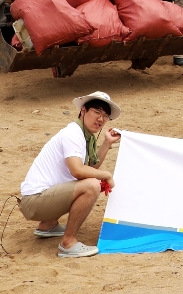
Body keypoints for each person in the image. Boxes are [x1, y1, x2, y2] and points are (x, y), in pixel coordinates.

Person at [19, 92, 122, 258]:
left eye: (105, 116)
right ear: (83, 110)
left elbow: (89, 167)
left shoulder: (83, 135)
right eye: (97, 112)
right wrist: (106, 175)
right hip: (35, 201)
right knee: (92, 185)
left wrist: (106, 143)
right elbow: (78, 171)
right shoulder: (73, 133)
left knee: (90, 180)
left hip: (36, 199)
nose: (101, 119)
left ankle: (48, 225)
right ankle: (68, 242)